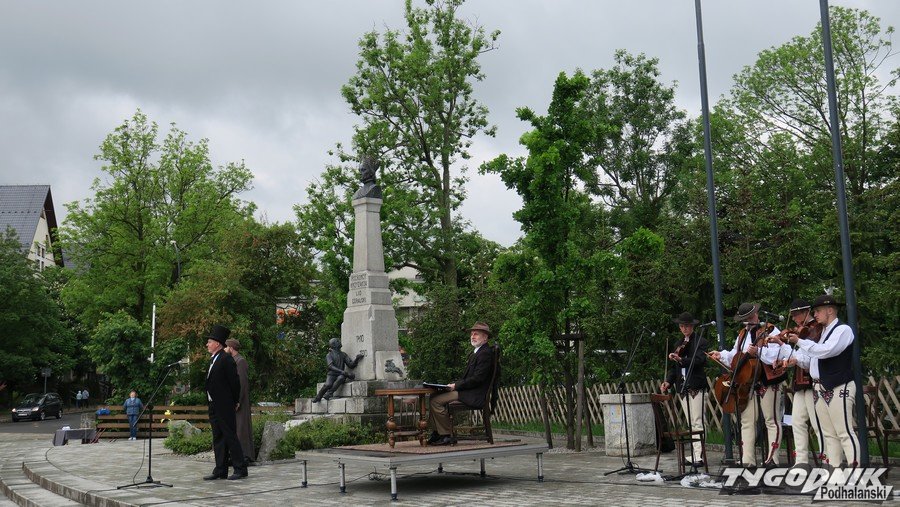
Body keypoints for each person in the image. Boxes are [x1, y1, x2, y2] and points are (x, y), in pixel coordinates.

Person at [782, 294, 859, 467]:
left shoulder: (842, 330)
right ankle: (834, 470)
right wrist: (792, 356)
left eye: (817, 311)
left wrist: (799, 341)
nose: (815, 315)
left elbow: (826, 351)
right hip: (820, 386)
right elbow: (811, 360)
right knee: (829, 433)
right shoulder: (822, 332)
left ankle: (856, 472)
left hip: (839, 384)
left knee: (844, 432)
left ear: (830, 310)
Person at [710, 303, 786, 466]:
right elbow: (736, 355)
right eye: (745, 319)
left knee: (771, 419)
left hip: (768, 380)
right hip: (748, 382)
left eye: (750, 317)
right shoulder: (742, 334)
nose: (748, 321)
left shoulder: (771, 330)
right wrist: (721, 355)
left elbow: (777, 355)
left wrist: (758, 351)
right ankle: (748, 460)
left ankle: (772, 459)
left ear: (756, 315)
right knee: (747, 420)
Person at [768, 299, 824, 467]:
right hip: (800, 382)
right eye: (791, 315)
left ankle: (827, 460)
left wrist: (793, 357)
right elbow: (797, 355)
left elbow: (809, 358)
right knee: (797, 422)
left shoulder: (817, 329)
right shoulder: (802, 331)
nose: (793, 319)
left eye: (795, 315)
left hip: (813, 381)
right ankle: (801, 462)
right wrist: (782, 348)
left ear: (806, 312)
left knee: (818, 424)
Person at [427, 322, 496, 446]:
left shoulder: (484, 354)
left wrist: (456, 386)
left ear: (485, 337)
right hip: (468, 391)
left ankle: (446, 435)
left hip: (474, 394)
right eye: (472, 334)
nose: (472, 336)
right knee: (433, 396)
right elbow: (471, 378)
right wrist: (453, 384)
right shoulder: (478, 352)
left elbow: (477, 379)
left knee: (436, 401)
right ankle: (437, 433)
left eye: (476, 334)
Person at [660, 312, 708, 467]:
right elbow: (674, 368)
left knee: (697, 421)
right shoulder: (679, 343)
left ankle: (699, 455)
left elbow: (699, 361)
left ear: (692, 326)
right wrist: (668, 381)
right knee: (691, 422)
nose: (684, 329)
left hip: (696, 385)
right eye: (681, 326)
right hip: (682, 386)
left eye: (686, 326)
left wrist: (682, 359)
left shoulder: (700, 341)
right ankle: (695, 453)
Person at [203, 325, 247, 481]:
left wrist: (235, 401)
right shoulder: (213, 359)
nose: (207, 345)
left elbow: (235, 382)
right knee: (218, 437)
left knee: (230, 435)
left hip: (225, 404)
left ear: (217, 343)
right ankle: (220, 469)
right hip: (214, 404)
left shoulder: (226, 359)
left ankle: (240, 468)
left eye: (209, 342)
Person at [225, 338, 254, 465]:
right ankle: (236, 456)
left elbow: (242, 383)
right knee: (236, 428)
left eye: (226, 347)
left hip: (240, 402)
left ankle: (245, 456)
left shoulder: (240, 361)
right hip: (234, 401)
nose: (224, 349)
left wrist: (238, 401)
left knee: (242, 428)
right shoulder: (233, 361)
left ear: (231, 348)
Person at [312, 338, 365, 402]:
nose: (339, 341)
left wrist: (357, 359)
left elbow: (351, 365)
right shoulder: (329, 355)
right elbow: (330, 366)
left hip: (341, 375)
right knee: (328, 384)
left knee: (341, 378)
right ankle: (318, 396)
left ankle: (329, 394)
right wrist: (342, 371)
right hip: (332, 374)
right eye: (337, 341)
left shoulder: (343, 354)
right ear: (334, 345)